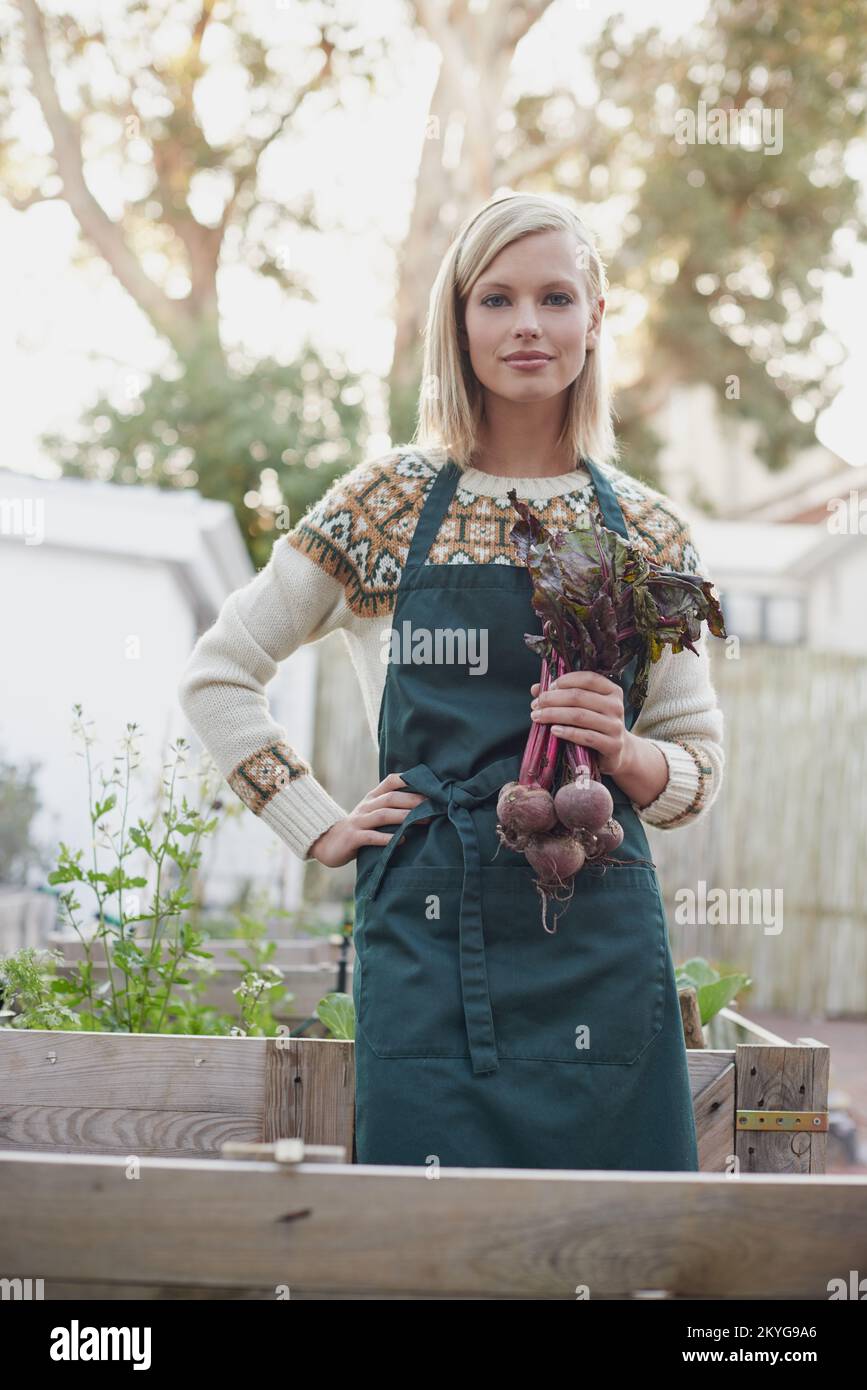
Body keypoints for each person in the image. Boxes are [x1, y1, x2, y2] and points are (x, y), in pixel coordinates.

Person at [178, 191, 725, 1172]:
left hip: (596, 932)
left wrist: (630, 752)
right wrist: (318, 822)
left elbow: (699, 770)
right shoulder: (383, 505)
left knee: (612, 1235)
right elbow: (220, 673)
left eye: (556, 297)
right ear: (458, 318)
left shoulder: (649, 531)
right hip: (431, 933)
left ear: (596, 318)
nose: (527, 325)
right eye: (496, 299)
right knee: (423, 1244)